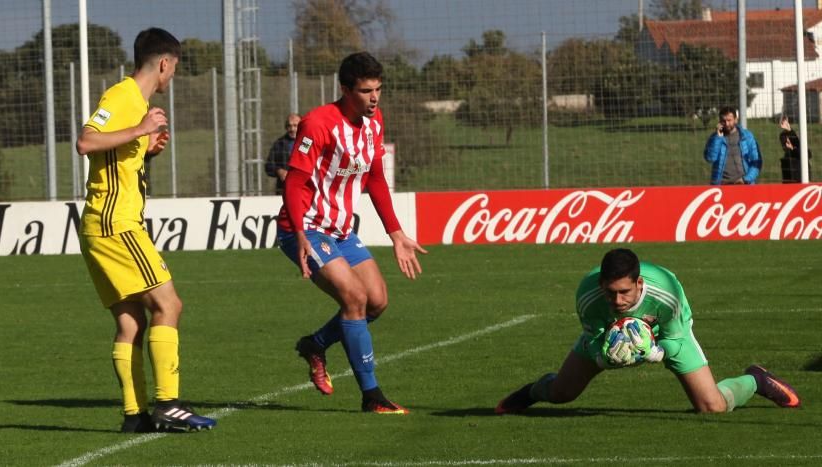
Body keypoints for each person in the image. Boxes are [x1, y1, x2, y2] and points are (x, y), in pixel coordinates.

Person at [76, 27, 216, 433]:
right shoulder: (123, 97)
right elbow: (86, 141)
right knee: (169, 306)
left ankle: (134, 415)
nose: (170, 78)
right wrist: (139, 130)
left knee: (131, 323)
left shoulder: (132, 102)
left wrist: (144, 150)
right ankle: (168, 404)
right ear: (163, 63)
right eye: (172, 69)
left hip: (105, 223)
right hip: (114, 223)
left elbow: (113, 156)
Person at [277, 52, 427, 415]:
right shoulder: (318, 123)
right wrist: (298, 234)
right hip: (306, 228)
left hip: (341, 231)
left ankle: (315, 344)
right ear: (345, 89)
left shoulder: (375, 123)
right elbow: (295, 181)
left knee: (377, 301)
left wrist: (396, 232)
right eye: (365, 91)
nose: (374, 97)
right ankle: (372, 396)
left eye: (378, 89)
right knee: (355, 298)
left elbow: (375, 178)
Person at [496, 248, 801, 415]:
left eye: (625, 292)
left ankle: (756, 380)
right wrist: (604, 357)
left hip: (669, 337)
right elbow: (593, 339)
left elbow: (676, 336)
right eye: (610, 293)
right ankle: (533, 391)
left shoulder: (667, 293)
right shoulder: (587, 297)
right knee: (561, 394)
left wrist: (656, 352)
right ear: (601, 285)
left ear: (639, 284)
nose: (617, 301)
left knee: (713, 407)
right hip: (607, 340)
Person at [703, 106, 762, 185]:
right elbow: (710, 158)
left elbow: (757, 161)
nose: (727, 124)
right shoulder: (715, 137)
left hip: (743, 184)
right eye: (723, 121)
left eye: (729, 120)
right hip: (721, 184)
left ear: (736, 120)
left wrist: (746, 179)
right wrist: (718, 138)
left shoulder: (747, 136)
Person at [264, 113, 301, 195]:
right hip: (284, 189)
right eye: (289, 126)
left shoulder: (306, 142)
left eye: (295, 126)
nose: (292, 129)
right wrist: (279, 171)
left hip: (303, 187)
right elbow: (268, 166)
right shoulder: (279, 144)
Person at [778, 115, 812, 184]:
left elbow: (807, 154)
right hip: (793, 183)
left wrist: (790, 130)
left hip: (802, 182)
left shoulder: (801, 152)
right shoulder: (787, 161)